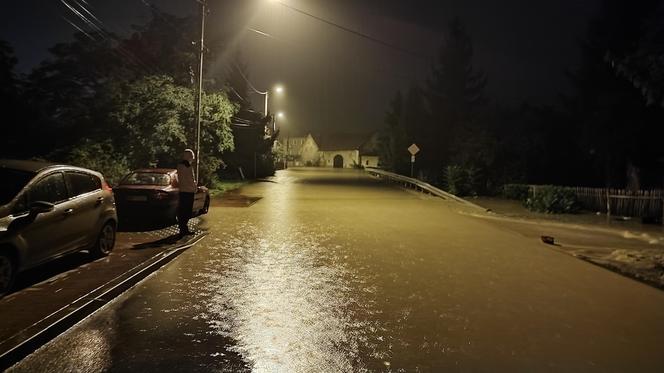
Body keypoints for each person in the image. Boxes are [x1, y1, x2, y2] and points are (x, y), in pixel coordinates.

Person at [176, 149, 197, 236]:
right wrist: (195, 186)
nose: (192, 159)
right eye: (191, 157)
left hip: (182, 190)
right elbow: (190, 179)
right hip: (188, 191)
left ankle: (182, 227)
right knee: (187, 211)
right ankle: (184, 229)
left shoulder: (179, 166)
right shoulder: (188, 167)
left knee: (182, 210)